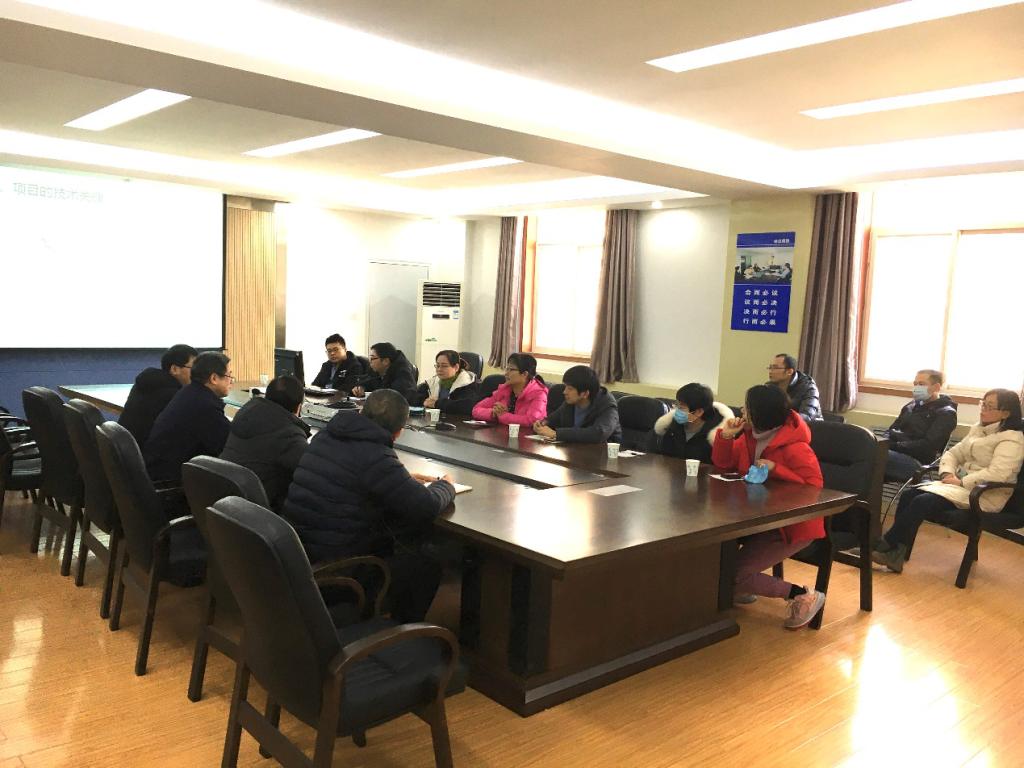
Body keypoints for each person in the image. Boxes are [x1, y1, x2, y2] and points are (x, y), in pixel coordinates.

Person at [283, 389, 457, 622]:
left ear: (361, 413)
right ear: (399, 431)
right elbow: (427, 506)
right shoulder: (376, 455)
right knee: (425, 566)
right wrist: (446, 486)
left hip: (300, 555)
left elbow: (357, 474)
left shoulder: (325, 437)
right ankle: (398, 635)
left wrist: (401, 479)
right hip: (338, 571)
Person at [712, 384, 826, 629]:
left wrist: (777, 469)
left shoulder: (796, 447)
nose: (742, 410)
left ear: (761, 413)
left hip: (791, 526)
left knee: (730, 574)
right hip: (755, 517)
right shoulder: (749, 436)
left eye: (747, 407)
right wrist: (726, 437)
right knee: (715, 565)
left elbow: (815, 488)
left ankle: (801, 595)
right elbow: (723, 465)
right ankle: (740, 587)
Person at [873, 388, 1024, 574]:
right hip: (961, 486)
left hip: (984, 494)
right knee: (909, 495)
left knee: (923, 501)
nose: (983, 410)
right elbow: (953, 454)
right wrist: (946, 473)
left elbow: (998, 474)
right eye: (982, 404)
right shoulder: (978, 429)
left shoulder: (1012, 439)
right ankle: (895, 553)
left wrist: (962, 481)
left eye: (989, 406)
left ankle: (885, 545)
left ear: (1005, 413)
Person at [219, 375, 311, 511]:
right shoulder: (289, 434)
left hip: (224, 503)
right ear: (298, 408)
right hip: (256, 513)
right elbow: (311, 472)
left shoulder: (245, 413)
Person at [144, 351, 233, 484]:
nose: (231, 381)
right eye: (229, 375)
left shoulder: (189, 392)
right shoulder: (205, 405)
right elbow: (228, 447)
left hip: (156, 472)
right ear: (214, 378)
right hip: (171, 482)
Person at [883, 369, 958, 482]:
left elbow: (927, 446)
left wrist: (895, 445)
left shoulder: (946, 413)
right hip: (894, 452)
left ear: (936, 387)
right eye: (915, 384)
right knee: (865, 449)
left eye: (922, 384)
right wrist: (883, 442)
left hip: (917, 462)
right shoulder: (911, 406)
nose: (917, 388)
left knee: (871, 455)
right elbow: (891, 430)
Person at [119, 344, 197, 449]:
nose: (198, 373)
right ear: (174, 369)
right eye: (194, 368)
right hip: (146, 454)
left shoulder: (146, 383)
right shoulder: (173, 395)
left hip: (129, 451)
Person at [646, 383, 733, 463]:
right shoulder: (672, 425)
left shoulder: (717, 436)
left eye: (681, 407)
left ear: (699, 412)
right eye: (676, 404)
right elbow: (660, 455)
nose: (676, 410)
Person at [533, 365, 621, 443]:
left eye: (570, 389)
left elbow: (599, 433)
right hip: (574, 450)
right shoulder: (571, 402)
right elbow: (553, 418)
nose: (564, 392)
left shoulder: (607, 405)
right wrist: (542, 423)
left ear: (585, 393)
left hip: (604, 453)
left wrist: (556, 434)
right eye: (565, 387)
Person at [472, 353, 548, 427]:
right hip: (502, 433)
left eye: (511, 370)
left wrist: (502, 416)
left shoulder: (539, 394)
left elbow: (531, 420)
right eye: (507, 369)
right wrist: (493, 413)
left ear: (525, 374)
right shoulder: (504, 389)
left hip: (526, 435)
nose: (506, 373)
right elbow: (476, 409)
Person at [411, 350, 479, 416]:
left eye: (444, 366)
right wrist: (424, 402)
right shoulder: (431, 383)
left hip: (458, 421)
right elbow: (415, 399)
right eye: (437, 366)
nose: (439, 369)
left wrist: (437, 403)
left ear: (456, 367)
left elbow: (467, 407)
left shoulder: (468, 384)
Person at [350, 342, 418, 403]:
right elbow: (368, 380)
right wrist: (361, 387)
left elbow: (399, 396)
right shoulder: (376, 370)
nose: (370, 361)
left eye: (372, 358)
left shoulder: (402, 373)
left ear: (386, 361)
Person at [766, 353, 821, 422]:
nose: (770, 371)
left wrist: (779, 421)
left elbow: (807, 416)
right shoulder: (770, 386)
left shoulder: (808, 387)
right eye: (770, 367)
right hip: (782, 425)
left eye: (775, 368)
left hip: (810, 426)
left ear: (789, 371)